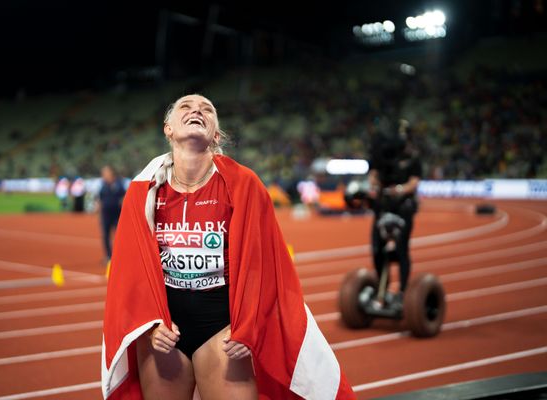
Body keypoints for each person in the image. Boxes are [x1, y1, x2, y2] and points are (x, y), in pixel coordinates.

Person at [102, 94, 355, 400]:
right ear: (168, 129)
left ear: (216, 135)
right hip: (165, 328)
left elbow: (266, 265)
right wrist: (150, 324)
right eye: (186, 107)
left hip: (221, 327)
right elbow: (131, 271)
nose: (196, 110)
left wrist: (249, 324)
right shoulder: (143, 193)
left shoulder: (244, 185)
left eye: (206, 109)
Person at [368, 120, 422, 298]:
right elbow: (373, 175)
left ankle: (403, 291)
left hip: (403, 207)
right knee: (377, 249)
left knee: (401, 249)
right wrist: (376, 186)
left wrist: (398, 190)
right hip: (383, 206)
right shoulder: (382, 154)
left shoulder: (413, 158)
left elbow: (414, 182)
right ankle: (382, 289)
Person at [96, 165, 126, 263]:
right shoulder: (103, 185)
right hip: (105, 215)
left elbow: (124, 198)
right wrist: (99, 214)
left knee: (119, 236)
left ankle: (120, 256)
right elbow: (99, 199)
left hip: (117, 215)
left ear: (111, 173)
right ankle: (109, 256)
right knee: (105, 236)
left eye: (105, 173)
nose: (103, 175)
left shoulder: (119, 183)